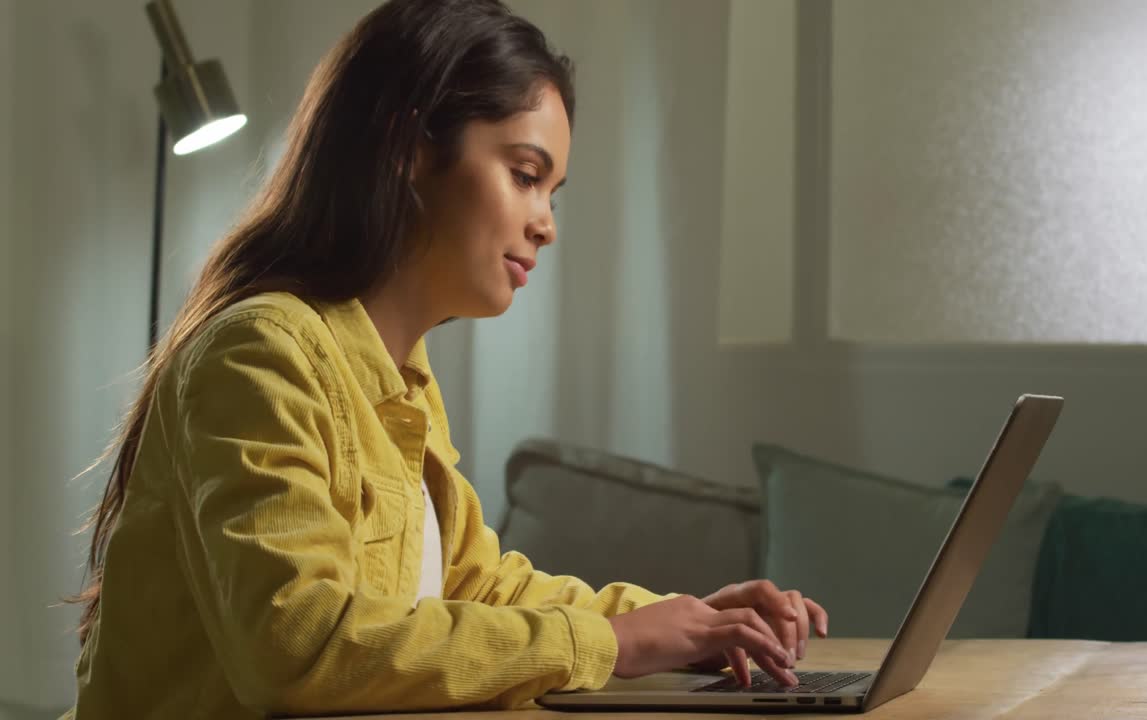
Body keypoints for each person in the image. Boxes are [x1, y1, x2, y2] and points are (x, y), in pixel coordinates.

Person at [64, 1, 827, 717]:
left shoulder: (400, 379)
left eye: (553, 193)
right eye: (526, 176)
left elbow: (477, 588)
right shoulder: (260, 354)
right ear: (406, 147)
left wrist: (683, 622)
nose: (546, 226)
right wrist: (615, 646)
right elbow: (299, 645)